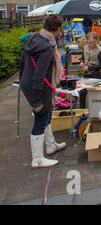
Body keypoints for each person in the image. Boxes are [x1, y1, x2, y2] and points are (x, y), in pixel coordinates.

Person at [19, 15, 66, 168]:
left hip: (28, 82)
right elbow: (39, 74)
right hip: (38, 86)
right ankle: (37, 159)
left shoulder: (33, 39)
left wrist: (22, 81)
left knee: (47, 115)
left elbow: (22, 63)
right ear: (58, 29)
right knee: (41, 118)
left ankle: (51, 145)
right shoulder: (46, 47)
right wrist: (36, 101)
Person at [78, 32, 101, 108]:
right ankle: (82, 111)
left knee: (96, 95)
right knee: (82, 92)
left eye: (90, 43)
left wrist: (90, 67)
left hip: (95, 75)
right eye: (87, 42)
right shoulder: (85, 48)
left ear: (95, 42)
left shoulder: (100, 51)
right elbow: (83, 57)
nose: (88, 44)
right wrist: (82, 62)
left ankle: (96, 110)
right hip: (86, 75)